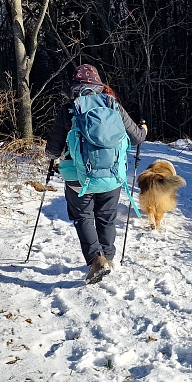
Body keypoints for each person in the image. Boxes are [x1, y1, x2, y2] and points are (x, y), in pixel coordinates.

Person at [45, 64, 147, 283]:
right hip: (112, 176)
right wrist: (144, 129)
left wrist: (56, 153)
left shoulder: (69, 109)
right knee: (106, 218)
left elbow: (52, 150)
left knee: (83, 217)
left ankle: (96, 259)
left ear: (74, 85)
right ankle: (108, 259)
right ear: (99, 84)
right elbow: (137, 137)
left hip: (78, 177)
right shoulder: (113, 105)